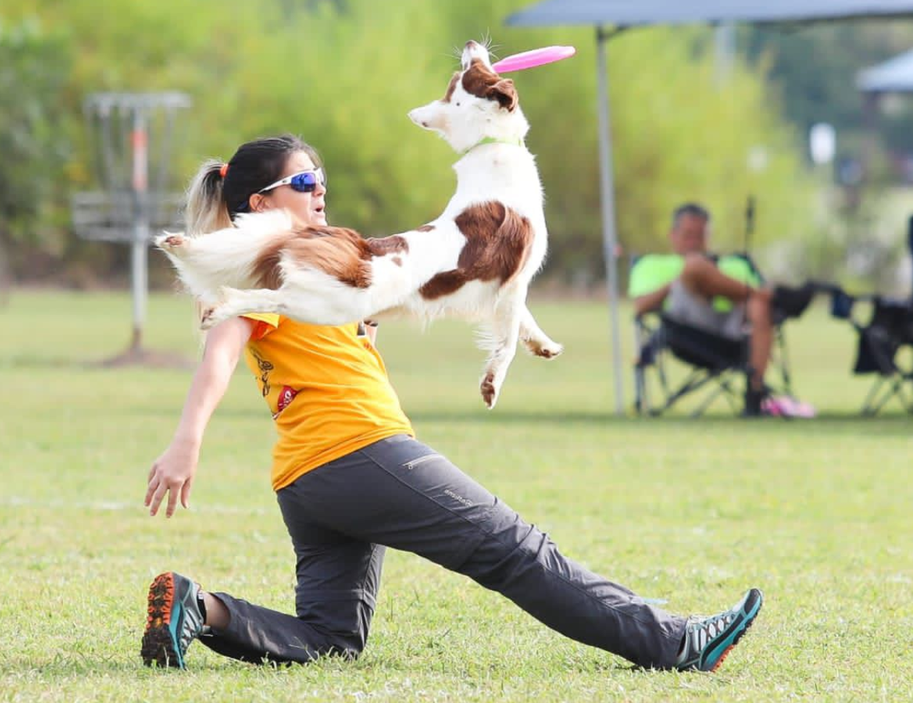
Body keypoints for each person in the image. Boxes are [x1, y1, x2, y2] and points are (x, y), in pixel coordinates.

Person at [140, 136, 763, 672]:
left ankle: (201, 608)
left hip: (309, 482)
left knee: (332, 638)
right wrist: (186, 441)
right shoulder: (259, 274)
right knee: (517, 552)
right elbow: (217, 356)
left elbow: (424, 287)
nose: (319, 189)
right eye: (304, 181)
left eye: (321, 178)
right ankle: (678, 644)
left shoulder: (318, 263)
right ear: (260, 203)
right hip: (359, 452)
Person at [628, 203, 777, 416]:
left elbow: (763, 311)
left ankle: (754, 393)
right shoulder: (653, 265)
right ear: (673, 234)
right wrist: (682, 279)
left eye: (700, 235)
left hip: (733, 336)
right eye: (688, 235)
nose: (694, 242)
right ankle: (770, 294)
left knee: (759, 304)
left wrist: (715, 280)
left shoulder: (735, 265)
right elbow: (640, 307)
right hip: (685, 331)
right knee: (695, 266)